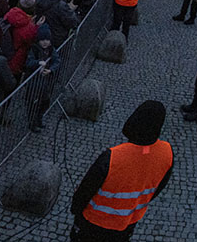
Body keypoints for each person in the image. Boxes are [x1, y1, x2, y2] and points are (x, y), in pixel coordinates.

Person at [69, 100, 173, 241]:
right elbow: (159, 187)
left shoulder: (112, 158)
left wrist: (76, 208)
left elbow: (86, 189)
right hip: (128, 222)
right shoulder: (167, 153)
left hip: (94, 222)